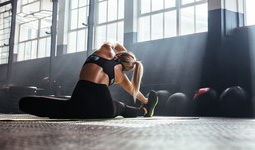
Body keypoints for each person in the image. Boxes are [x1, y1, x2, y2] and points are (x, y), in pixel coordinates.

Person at [19, 40, 158, 119]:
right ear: (127, 68)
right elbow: (134, 91)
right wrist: (146, 101)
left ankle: (145, 109)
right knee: (121, 107)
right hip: (104, 110)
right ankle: (145, 110)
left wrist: (125, 51)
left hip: (79, 102)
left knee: (28, 102)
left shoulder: (106, 50)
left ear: (120, 54)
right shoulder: (121, 76)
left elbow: (114, 42)